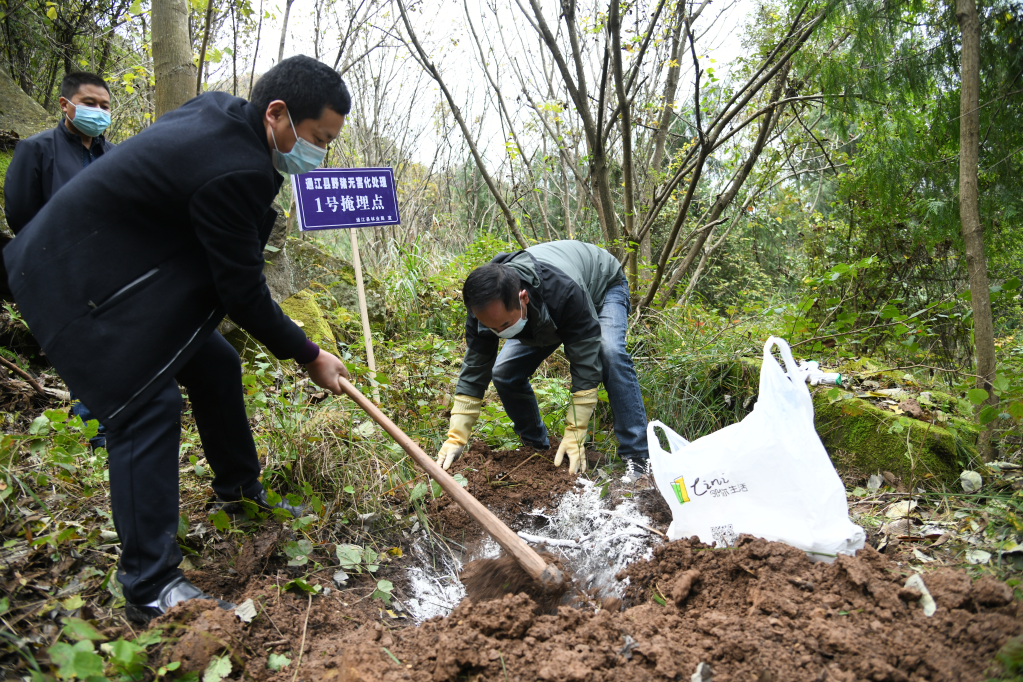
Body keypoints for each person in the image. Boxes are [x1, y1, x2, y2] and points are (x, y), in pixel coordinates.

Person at [4, 55, 352, 624]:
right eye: (317, 138)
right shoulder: (237, 168)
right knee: (148, 405)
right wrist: (310, 354)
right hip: (75, 282)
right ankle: (149, 584)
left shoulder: (219, 112)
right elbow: (243, 292)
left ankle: (238, 495)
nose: (320, 153)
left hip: (110, 270)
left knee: (214, 362)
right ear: (277, 113)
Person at [436, 240, 648, 475]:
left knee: (609, 353)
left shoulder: (563, 292)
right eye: (492, 328)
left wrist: (575, 430)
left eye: (505, 325)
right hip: (544, 314)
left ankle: (637, 455)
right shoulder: (483, 307)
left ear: (522, 297)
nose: (498, 333)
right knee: (504, 372)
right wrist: (456, 437)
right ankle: (536, 448)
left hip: (602, 285)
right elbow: (475, 369)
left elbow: (585, 366)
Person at [3, 71, 116, 449]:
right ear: (66, 105)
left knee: (113, 344)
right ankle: (93, 430)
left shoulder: (114, 156)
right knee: (81, 347)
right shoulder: (36, 149)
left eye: (104, 106)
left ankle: (115, 422)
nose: (98, 112)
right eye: (89, 103)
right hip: (57, 268)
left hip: (108, 269)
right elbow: (20, 212)